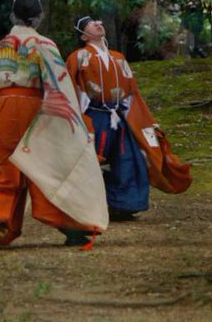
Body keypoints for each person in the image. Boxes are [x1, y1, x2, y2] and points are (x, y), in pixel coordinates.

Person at [0, 0, 107, 250]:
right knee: (45, 166)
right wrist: (71, 124)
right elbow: (57, 84)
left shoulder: (0, 46)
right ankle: (71, 230)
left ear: (14, 16)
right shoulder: (45, 45)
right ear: (38, 17)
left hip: (3, 109)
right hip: (35, 109)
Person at [66, 15, 191, 220]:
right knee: (90, 159)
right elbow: (72, 89)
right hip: (95, 115)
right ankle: (83, 207)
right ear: (83, 36)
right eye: (91, 23)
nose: (99, 23)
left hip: (120, 116)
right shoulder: (78, 57)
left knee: (128, 158)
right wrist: (76, 119)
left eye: (99, 21)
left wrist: (145, 120)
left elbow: (132, 92)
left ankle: (122, 205)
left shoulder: (118, 58)